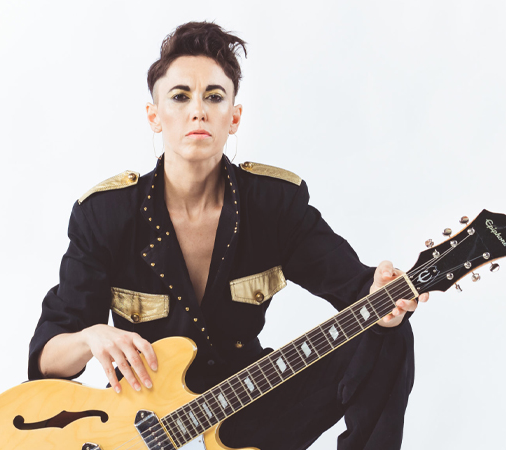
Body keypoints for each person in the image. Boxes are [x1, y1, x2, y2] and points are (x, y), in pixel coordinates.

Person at [27, 21, 428, 450]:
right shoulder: (105, 215)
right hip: (143, 424)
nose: (197, 110)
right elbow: (48, 359)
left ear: (233, 117)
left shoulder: (275, 204)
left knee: (388, 332)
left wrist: (382, 292)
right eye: (180, 96)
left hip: (248, 407)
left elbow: (355, 287)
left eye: (214, 96)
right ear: (154, 115)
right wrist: (91, 337)